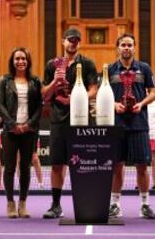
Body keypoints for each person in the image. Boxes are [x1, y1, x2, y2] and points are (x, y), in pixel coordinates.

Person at [42, 27, 98, 219]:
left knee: (82, 165)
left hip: (81, 121)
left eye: (76, 40)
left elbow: (94, 91)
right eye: (69, 39)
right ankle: (56, 205)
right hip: (58, 121)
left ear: (79, 43)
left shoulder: (88, 63)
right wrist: (54, 82)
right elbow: (45, 95)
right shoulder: (52, 65)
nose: (72, 43)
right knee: (57, 164)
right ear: (63, 41)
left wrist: (75, 98)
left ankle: (85, 203)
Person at [108, 33, 155, 219]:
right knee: (116, 166)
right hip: (117, 124)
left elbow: (153, 93)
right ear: (118, 47)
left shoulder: (144, 68)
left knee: (142, 166)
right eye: (123, 45)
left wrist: (142, 104)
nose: (126, 48)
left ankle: (145, 204)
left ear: (134, 47)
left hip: (138, 123)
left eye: (129, 45)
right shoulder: (110, 69)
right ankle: (114, 204)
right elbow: (101, 94)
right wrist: (113, 105)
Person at [0, 47, 42, 218]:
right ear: (12, 61)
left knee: (25, 168)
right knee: (9, 168)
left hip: (29, 131)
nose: (20, 61)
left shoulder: (35, 81)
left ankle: (23, 203)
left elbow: (39, 106)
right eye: (17, 58)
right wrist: (12, 124)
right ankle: (10, 202)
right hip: (10, 130)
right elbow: (0, 104)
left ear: (28, 61)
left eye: (23, 58)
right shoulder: (4, 80)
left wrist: (28, 124)